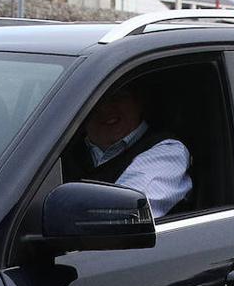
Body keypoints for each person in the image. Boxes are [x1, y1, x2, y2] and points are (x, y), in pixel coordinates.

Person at [63, 85, 193, 218]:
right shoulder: (60, 150)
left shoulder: (167, 151)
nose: (105, 108)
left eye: (117, 97)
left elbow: (120, 214)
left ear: (139, 102)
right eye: (94, 101)